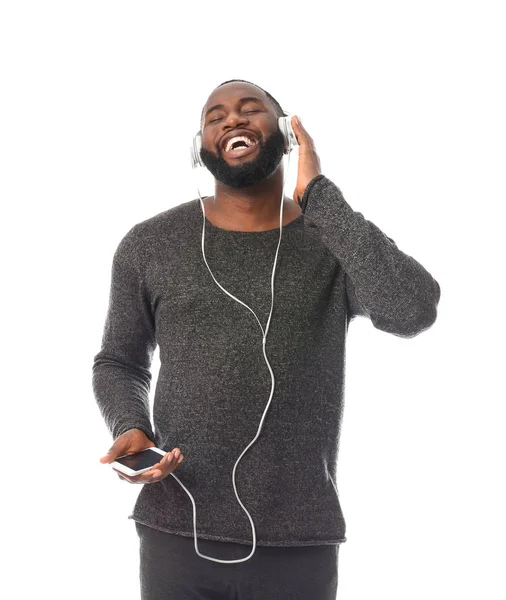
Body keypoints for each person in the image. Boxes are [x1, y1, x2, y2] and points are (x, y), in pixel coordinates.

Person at [92, 78, 441, 599]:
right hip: (175, 528)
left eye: (250, 110)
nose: (232, 119)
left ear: (285, 135)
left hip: (299, 539)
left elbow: (412, 310)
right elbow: (119, 360)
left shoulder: (331, 242)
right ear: (200, 147)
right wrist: (131, 426)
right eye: (215, 117)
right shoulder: (150, 244)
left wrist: (321, 198)